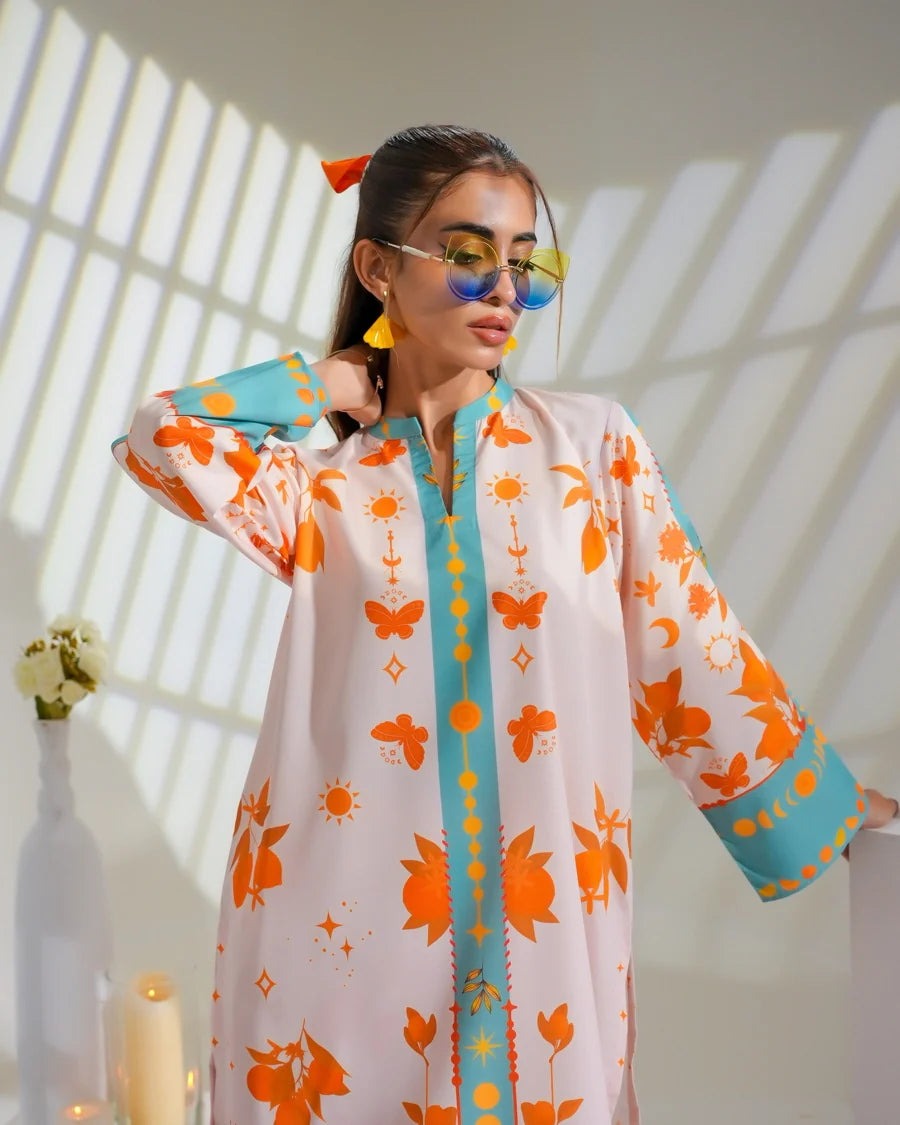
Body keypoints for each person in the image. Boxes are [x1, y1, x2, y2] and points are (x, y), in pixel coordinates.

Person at [112, 124, 898, 1125]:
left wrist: (826, 801)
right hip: (339, 933)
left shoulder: (591, 448)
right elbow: (162, 435)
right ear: (378, 269)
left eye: (526, 262)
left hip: (543, 925)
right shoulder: (322, 488)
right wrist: (335, 382)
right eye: (469, 254)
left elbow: (687, 639)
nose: (505, 291)